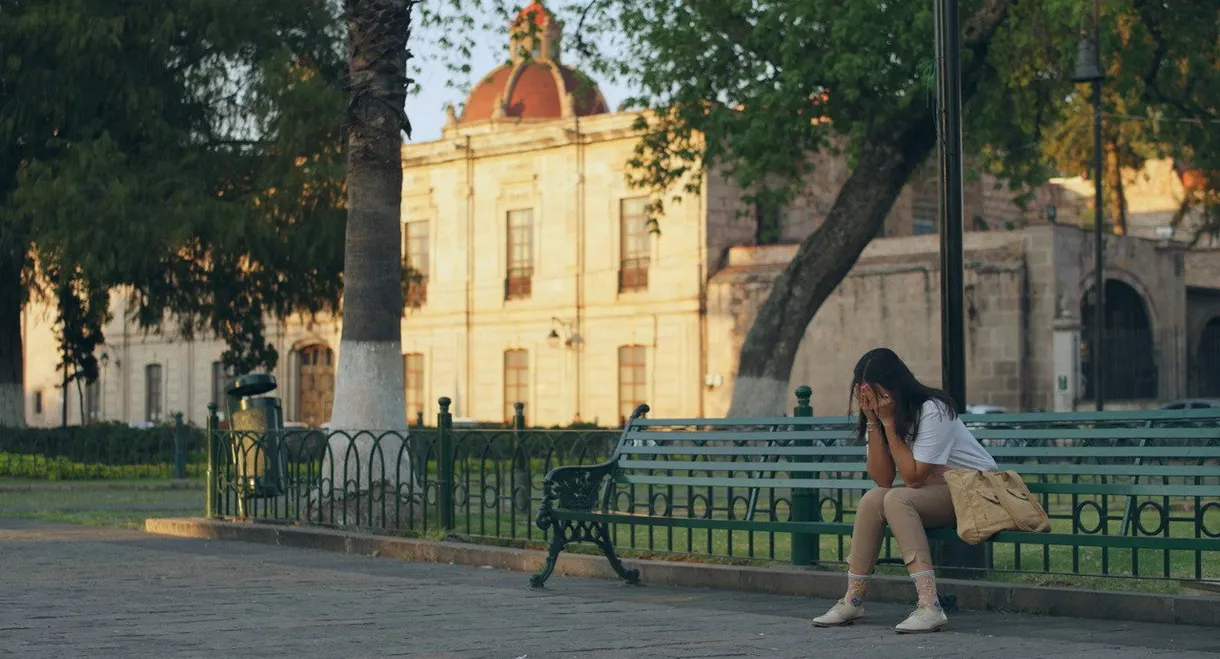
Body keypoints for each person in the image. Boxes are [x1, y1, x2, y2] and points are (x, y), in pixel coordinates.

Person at [810, 348, 997, 633]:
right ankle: (853, 599)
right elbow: (882, 479)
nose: (872, 400)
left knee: (898, 499)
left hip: (976, 490)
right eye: (865, 394)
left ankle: (929, 605)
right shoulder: (886, 417)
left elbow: (912, 478)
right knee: (874, 499)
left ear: (895, 386)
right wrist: (874, 421)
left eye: (877, 393)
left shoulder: (933, 409)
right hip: (937, 492)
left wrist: (886, 422)